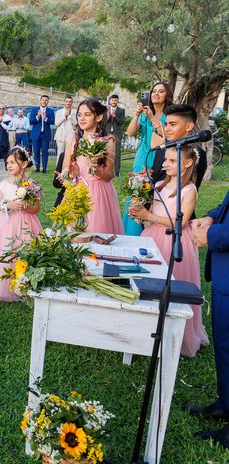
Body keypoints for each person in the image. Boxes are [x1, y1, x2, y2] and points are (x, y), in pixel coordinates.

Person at [129, 144, 208, 357]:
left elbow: (178, 223)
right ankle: (148, 330)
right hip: (152, 237)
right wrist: (139, 213)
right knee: (148, 286)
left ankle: (176, 337)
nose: (166, 164)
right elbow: (152, 210)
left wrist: (149, 217)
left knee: (173, 289)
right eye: (166, 160)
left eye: (172, 161)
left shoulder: (189, 190)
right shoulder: (161, 183)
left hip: (173, 241)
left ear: (188, 163)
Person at [187, 191, 229, 446]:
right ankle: (225, 403)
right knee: (224, 345)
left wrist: (212, 235)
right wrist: (211, 218)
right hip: (225, 274)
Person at [0, 146, 42, 301]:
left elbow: (36, 208)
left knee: (25, 250)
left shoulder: (31, 184)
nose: (9, 165)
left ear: (23, 164)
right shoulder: (4, 184)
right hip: (7, 226)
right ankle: (5, 285)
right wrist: (7, 206)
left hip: (27, 224)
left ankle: (25, 282)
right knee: (8, 251)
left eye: (13, 162)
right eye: (7, 162)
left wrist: (27, 207)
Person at [63, 98, 124, 235]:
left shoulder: (108, 141)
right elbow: (64, 174)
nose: (82, 118)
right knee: (74, 235)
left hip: (98, 192)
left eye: (87, 114)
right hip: (76, 191)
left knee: (97, 231)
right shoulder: (72, 140)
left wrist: (97, 171)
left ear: (99, 117)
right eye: (79, 115)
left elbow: (109, 175)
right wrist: (72, 173)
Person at [123, 82, 173, 235]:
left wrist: (152, 117)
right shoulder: (144, 114)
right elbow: (130, 132)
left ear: (167, 95)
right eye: (154, 91)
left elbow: (166, 135)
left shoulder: (169, 115)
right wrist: (137, 114)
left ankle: (151, 230)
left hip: (160, 157)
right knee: (137, 192)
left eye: (161, 91)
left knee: (155, 193)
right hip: (142, 156)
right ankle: (132, 232)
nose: (156, 94)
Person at [29, 95, 55, 173]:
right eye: (43, 100)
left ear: (48, 102)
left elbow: (53, 121)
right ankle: (37, 168)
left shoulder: (50, 111)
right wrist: (38, 116)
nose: (44, 101)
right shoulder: (34, 110)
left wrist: (45, 118)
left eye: (46, 100)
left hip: (45, 135)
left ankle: (44, 168)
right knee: (36, 152)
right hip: (36, 135)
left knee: (45, 152)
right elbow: (31, 121)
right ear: (40, 101)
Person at [106, 94, 125, 176]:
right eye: (112, 100)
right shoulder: (105, 110)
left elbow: (121, 122)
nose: (114, 101)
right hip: (107, 133)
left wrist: (114, 116)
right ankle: (106, 169)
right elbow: (103, 122)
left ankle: (117, 172)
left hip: (117, 133)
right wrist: (108, 116)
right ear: (110, 101)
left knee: (117, 153)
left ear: (117, 101)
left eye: (115, 100)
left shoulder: (121, 110)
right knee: (105, 152)